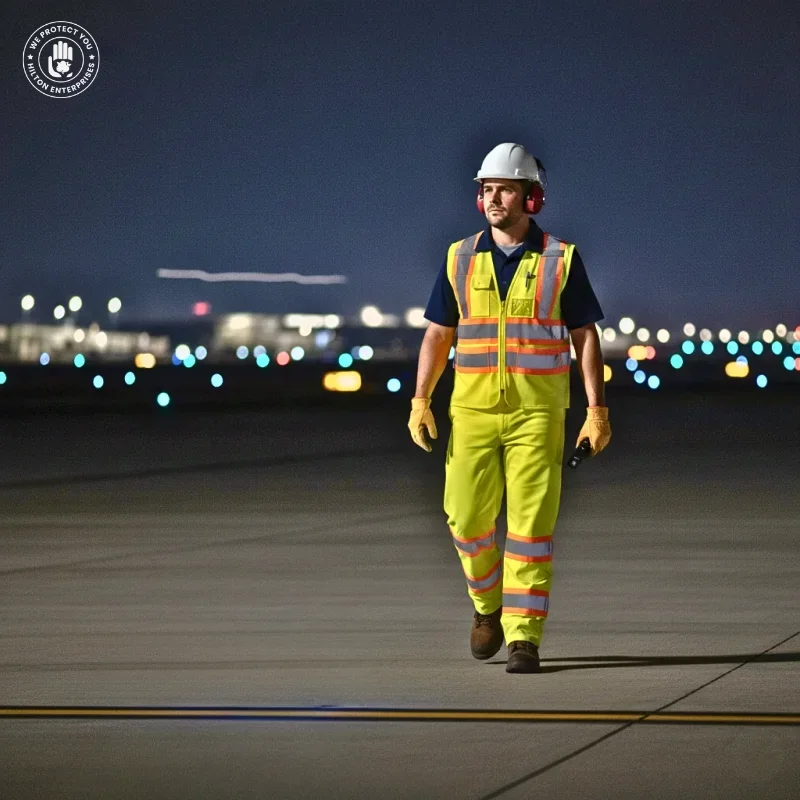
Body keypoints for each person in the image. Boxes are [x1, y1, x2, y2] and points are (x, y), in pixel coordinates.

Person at [408, 143, 611, 674]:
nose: (493, 197)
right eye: (486, 189)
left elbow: (584, 336)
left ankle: (524, 638)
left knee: (530, 527)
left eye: (504, 188)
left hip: (537, 415)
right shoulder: (458, 257)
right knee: (466, 519)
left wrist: (596, 410)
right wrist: (421, 399)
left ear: (530, 196)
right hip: (472, 412)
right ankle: (487, 607)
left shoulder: (559, 259)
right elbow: (438, 333)